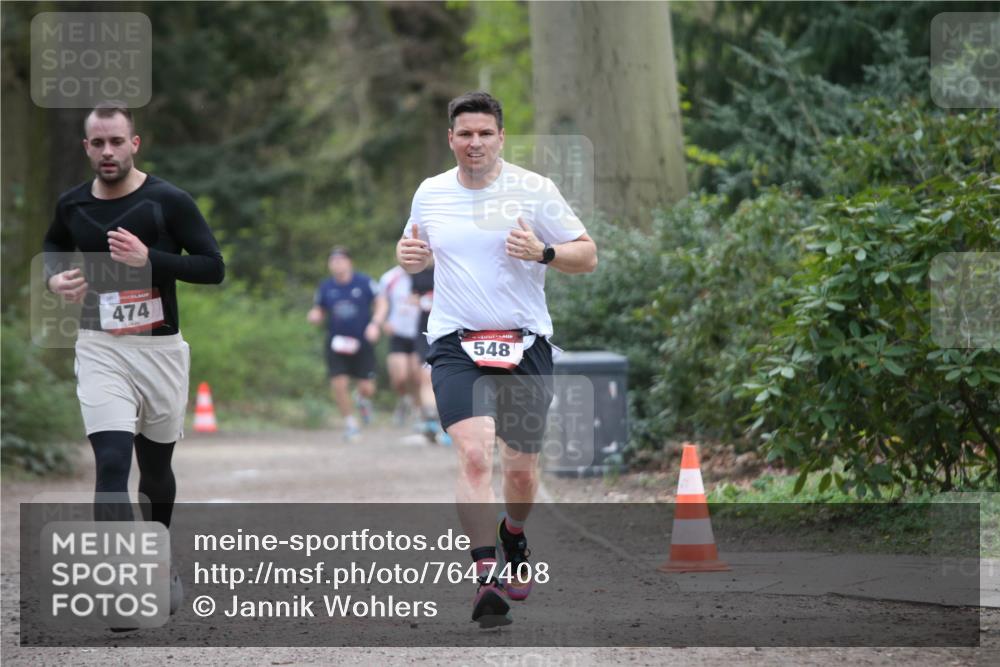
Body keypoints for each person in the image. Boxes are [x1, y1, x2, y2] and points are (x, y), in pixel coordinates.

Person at [396, 91, 597, 627]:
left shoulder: (535, 190)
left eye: (485, 133)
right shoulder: (431, 193)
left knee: (522, 473)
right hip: (454, 342)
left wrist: (545, 253)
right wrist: (407, 255)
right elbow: (412, 248)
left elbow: (588, 254)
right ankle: (486, 576)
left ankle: (513, 534)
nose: (475, 143)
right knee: (475, 457)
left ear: (501, 137)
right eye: (465, 134)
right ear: (451, 139)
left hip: (525, 342)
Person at [42, 103, 226, 621]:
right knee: (112, 465)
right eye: (97, 143)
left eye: (116, 142)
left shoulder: (168, 201)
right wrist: (54, 278)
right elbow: (55, 244)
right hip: (99, 346)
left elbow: (213, 268)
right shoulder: (72, 204)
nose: (107, 152)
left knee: (156, 470)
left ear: (134, 144)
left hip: (160, 350)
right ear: (86, 147)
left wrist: (151, 260)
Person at [307, 247, 385, 440]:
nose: (337, 264)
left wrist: (375, 324)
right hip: (337, 343)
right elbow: (320, 309)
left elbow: (381, 303)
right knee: (339, 383)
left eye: (341, 260)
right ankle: (350, 423)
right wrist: (315, 315)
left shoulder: (365, 282)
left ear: (350, 262)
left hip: (362, 341)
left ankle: (362, 400)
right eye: (333, 261)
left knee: (367, 387)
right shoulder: (326, 287)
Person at [375, 265, 421, 426]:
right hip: (398, 333)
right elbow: (381, 303)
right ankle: (404, 399)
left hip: (420, 333)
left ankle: (418, 411)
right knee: (399, 377)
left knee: (417, 376)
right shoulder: (389, 278)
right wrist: (383, 322)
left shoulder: (428, 275)